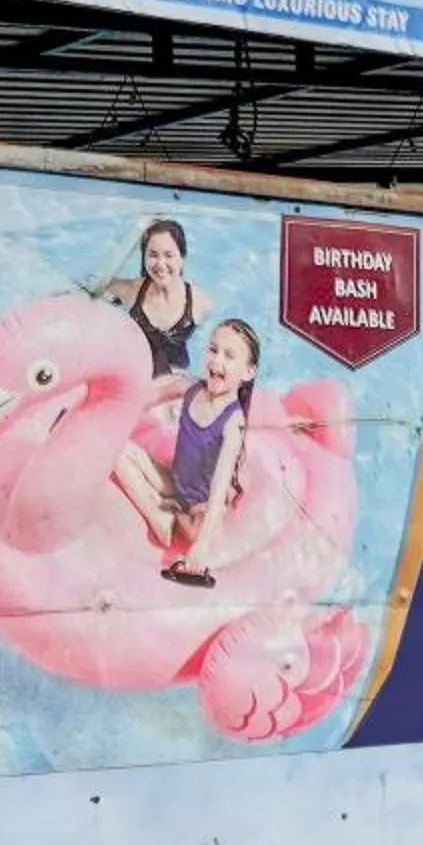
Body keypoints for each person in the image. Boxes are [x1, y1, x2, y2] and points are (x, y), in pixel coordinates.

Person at [113, 321, 260, 586]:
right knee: (118, 449)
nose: (217, 360)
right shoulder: (189, 389)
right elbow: (149, 397)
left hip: (201, 503)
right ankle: (158, 515)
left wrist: (201, 546)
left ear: (248, 372)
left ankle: (170, 518)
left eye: (229, 355)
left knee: (206, 535)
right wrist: (113, 407)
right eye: (213, 350)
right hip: (175, 481)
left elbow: (219, 485)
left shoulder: (232, 422)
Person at [100, 218, 200, 376]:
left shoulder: (199, 303)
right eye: (153, 255)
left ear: (182, 257)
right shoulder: (132, 291)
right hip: (136, 372)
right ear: (144, 257)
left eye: (169, 255)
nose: (160, 264)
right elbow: (99, 287)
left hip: (175, 378)